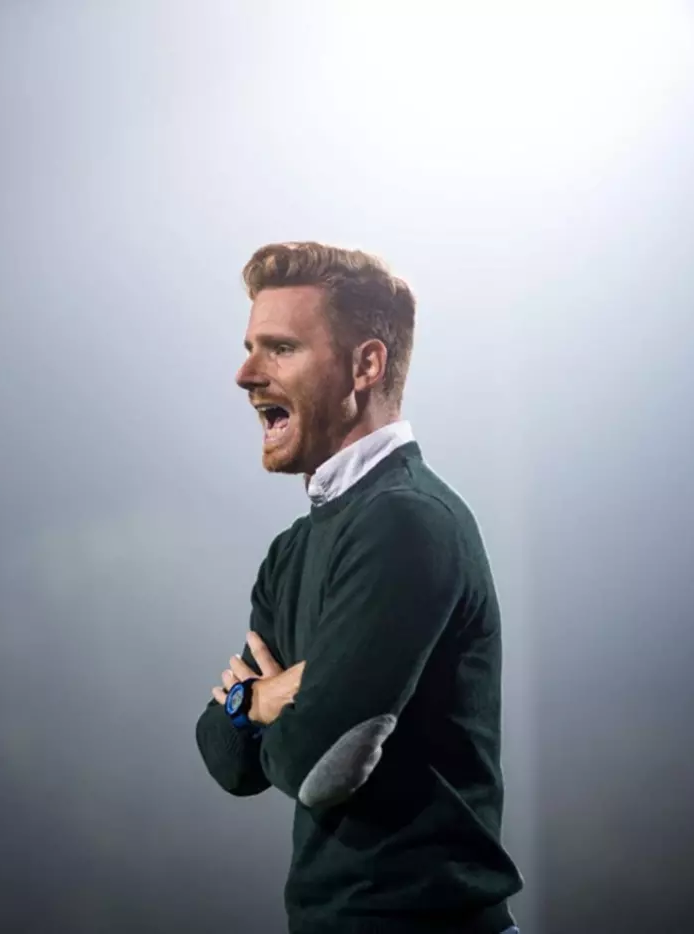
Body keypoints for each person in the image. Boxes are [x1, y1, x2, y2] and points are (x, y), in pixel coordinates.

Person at [194, 242, 523, 933]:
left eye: (281, 348)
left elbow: (315, 765)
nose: (245, 374)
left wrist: (263, 709)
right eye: (251, 348)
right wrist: (264, 700)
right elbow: (226, 758)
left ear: (366, 365)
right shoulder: (292, 550)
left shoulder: (407, 521)